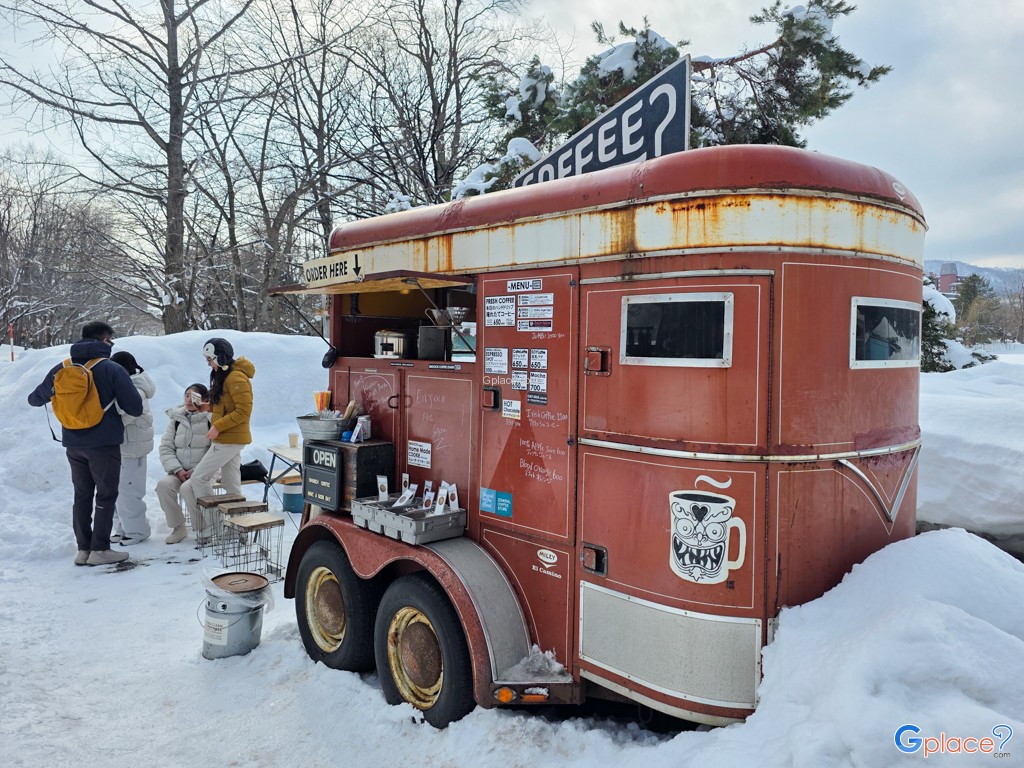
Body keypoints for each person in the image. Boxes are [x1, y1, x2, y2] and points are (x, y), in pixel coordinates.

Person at [27, 321, 143, 566]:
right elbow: (135, 406)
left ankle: (83, 550)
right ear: (103, 340)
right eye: (110, 340)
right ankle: (100, 549)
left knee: (82, 495)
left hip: (73, 443)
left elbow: (35, 399)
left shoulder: (62, 367)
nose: (111, 345)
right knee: (106, 494)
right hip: (104, 443)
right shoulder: (111, 368)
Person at [180, 338, 255, 540]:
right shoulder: (225, 375)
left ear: (220, 357)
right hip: (229, 438)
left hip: (230, 438)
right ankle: (238, 529)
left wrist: (217, 426)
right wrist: (208, 408)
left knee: (199, 478)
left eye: (210, 359)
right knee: (232, 484)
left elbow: (243, 411)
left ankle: (217, 524)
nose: (209, 363)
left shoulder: (236, 378)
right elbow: (225, 406)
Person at [109, 351, 156, 545]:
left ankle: (137, 531)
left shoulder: (136, 389)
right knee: (116, 489)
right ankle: (122, 527)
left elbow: (125, 415)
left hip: (133, 447)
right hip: (123, 445)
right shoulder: (128, 385)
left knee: (129, 490)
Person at [156, 383, 212, 544]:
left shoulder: (211, 419)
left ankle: (203, 528)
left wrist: (196, 470)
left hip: (204, 471)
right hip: (179, 471)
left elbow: (214, 450)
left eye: (195, 397)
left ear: (204, 399)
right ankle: (179, 527)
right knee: (163, 486)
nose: (189, 400)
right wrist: (177, 469)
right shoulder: (176, 419)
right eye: (187, 395)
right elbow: (166, 447)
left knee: (188, 488)